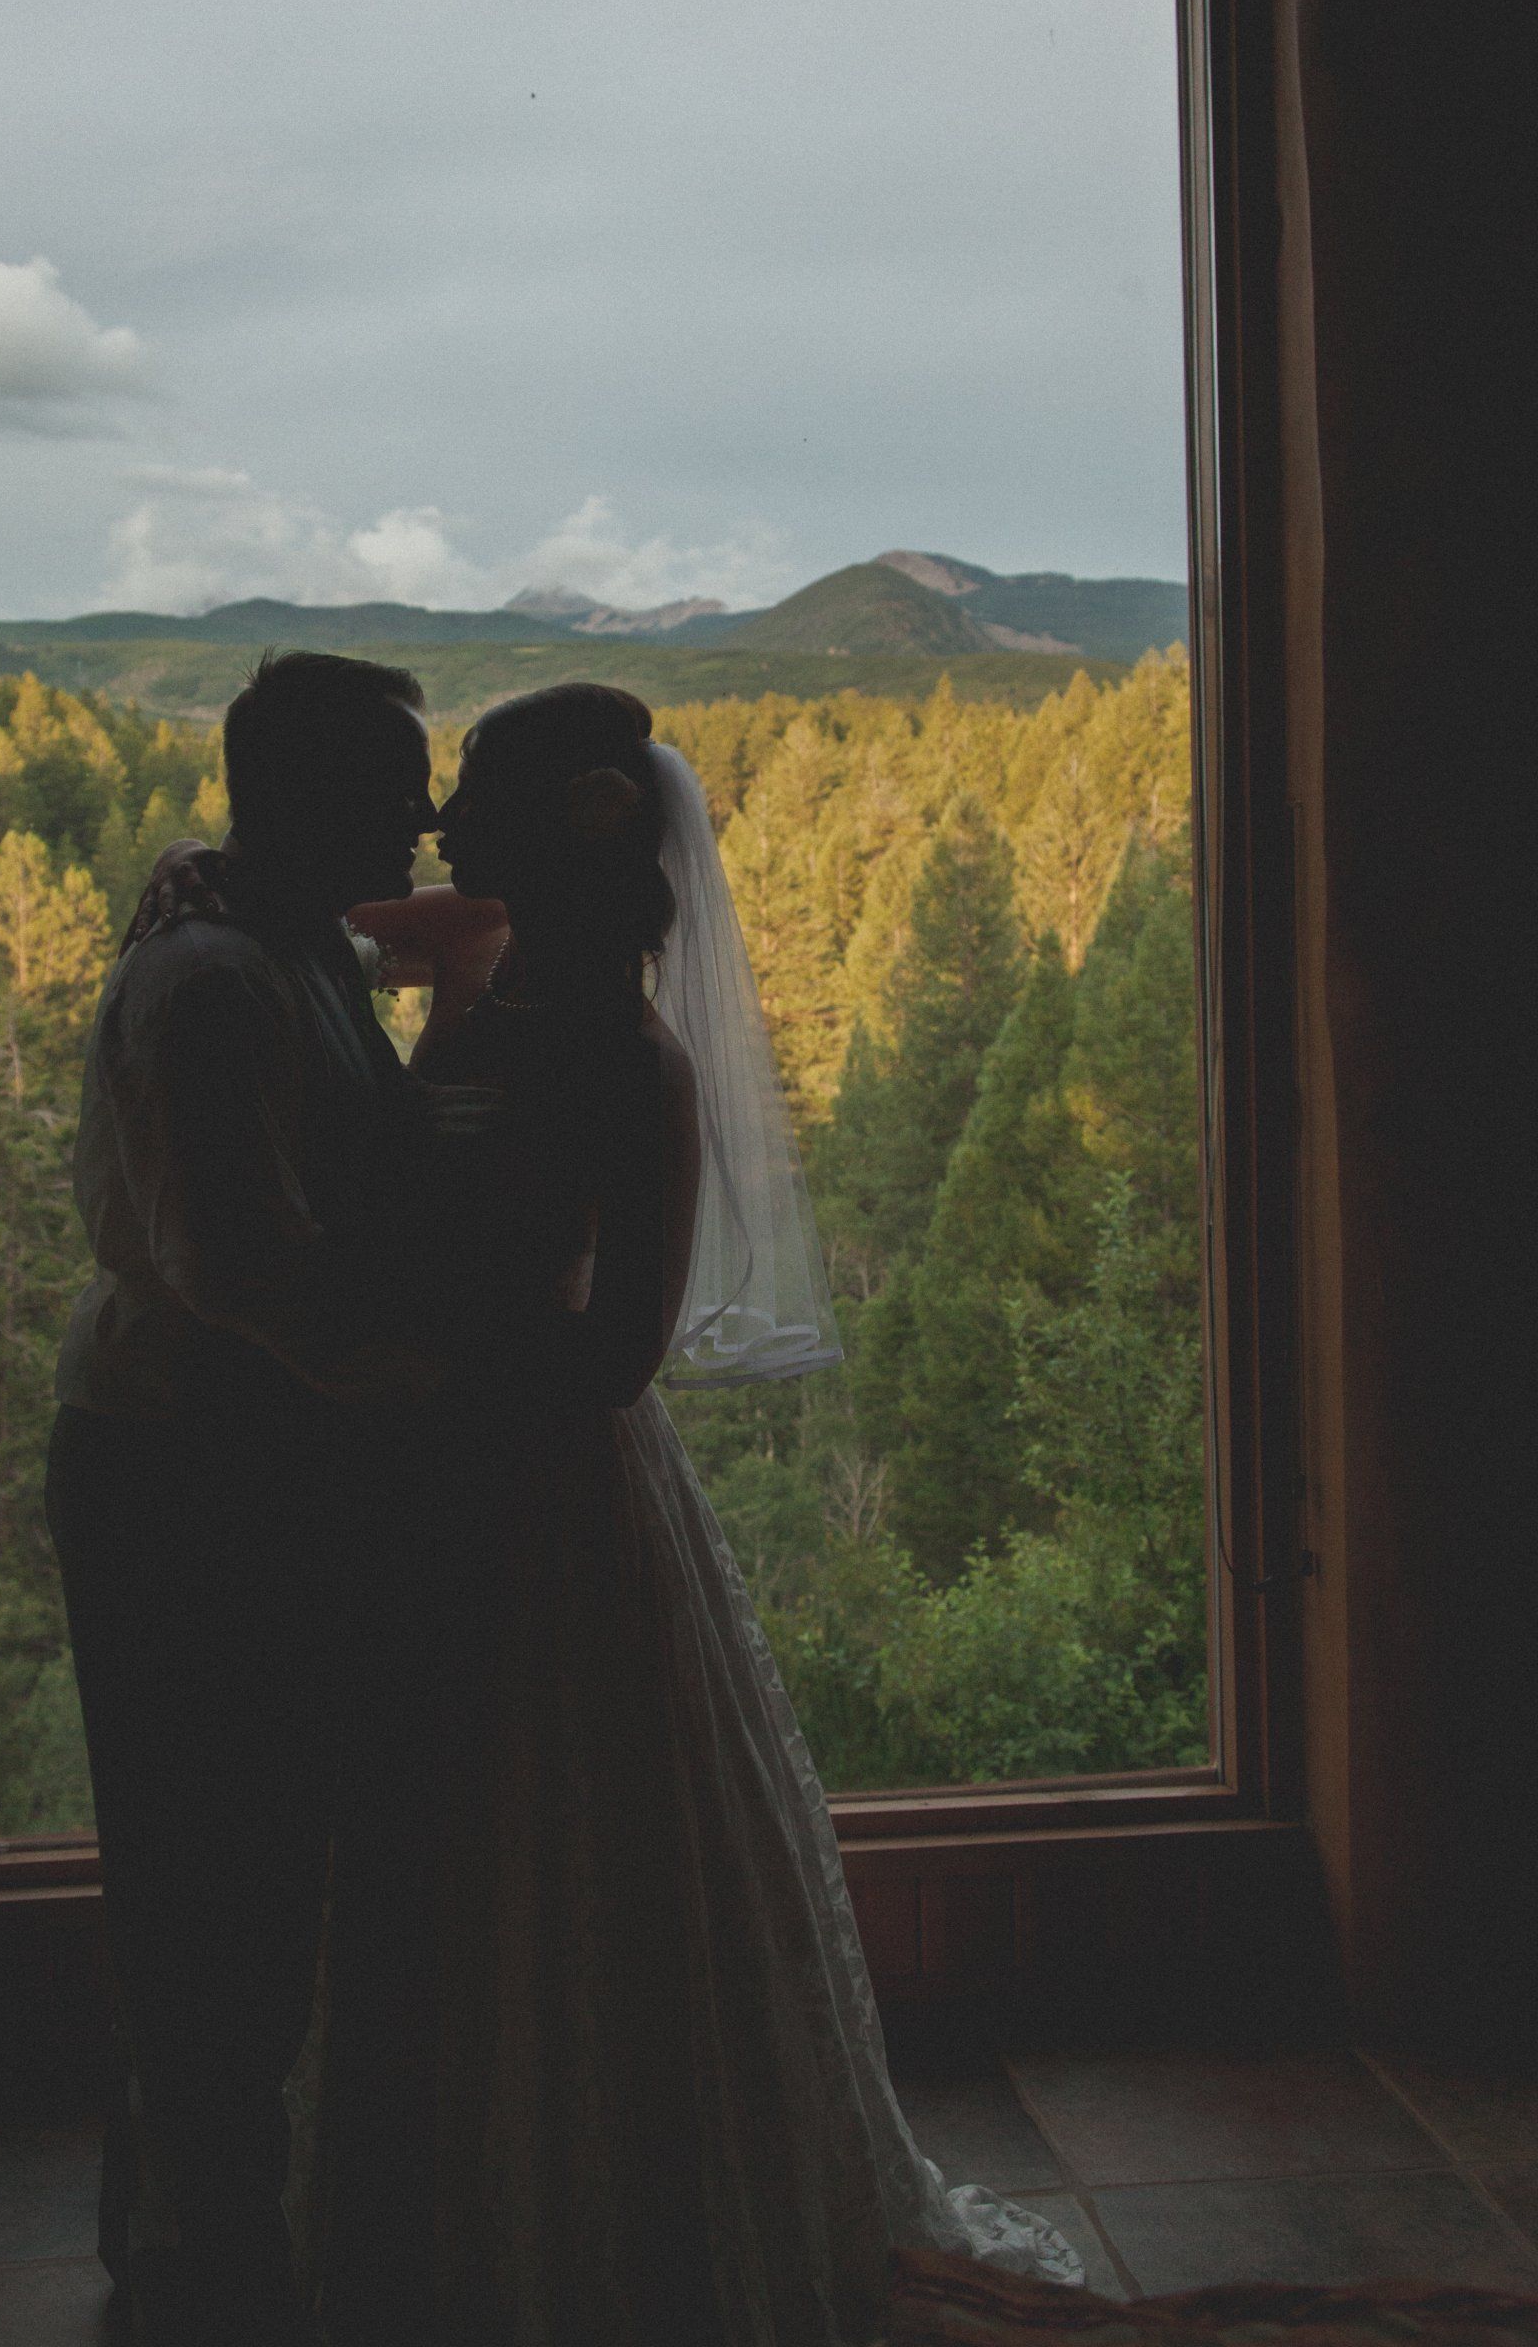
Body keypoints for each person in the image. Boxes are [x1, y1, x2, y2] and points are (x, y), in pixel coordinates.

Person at [138, 680, 1082, 2345]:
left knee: (571, 1861)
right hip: (439, 1484)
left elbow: (620, 1350)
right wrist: (198, 881)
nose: (439, 831)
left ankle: (605, 2231)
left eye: (473, 803)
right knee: (449, 1871)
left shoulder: (625, 1057)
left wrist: (438, 1389)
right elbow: (333, 960)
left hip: (548, 1504)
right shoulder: (491, 989)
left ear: (567, 835)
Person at [48, 649, 500, 2347]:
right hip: (184, 1470)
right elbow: (253, 1272)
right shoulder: (219, 983)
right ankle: (199, 2262)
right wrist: (457, 1383)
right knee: (204, 1871)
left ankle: (223, 2226)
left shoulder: (294, 938)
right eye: (397, 779)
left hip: (244, 1461)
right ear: (293, 790)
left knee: (252, 1861)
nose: (428, 810)